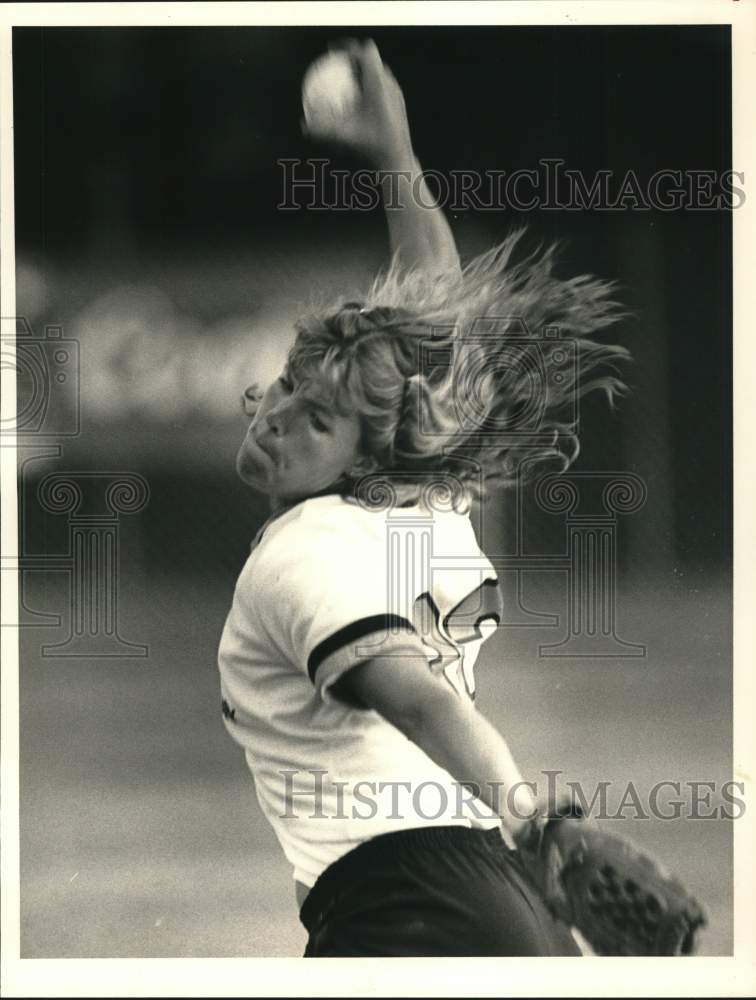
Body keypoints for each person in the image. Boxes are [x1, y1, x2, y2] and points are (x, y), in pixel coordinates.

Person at [218, 39, 628, 957]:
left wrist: (530, 810)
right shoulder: (427, 503)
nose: (278, 416)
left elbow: (415, 697)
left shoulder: (303, 554)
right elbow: (432, 292)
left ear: (365, 454)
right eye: (288, 383)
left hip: (405, 905)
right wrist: (393, 152)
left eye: (316, 418)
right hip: (497, 891)